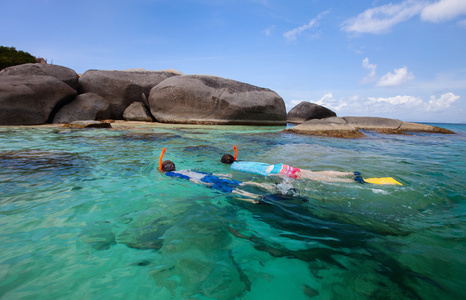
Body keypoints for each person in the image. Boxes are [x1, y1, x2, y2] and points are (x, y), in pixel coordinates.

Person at [159, 151, 276, 203]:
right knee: (239, 183)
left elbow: (190, 179)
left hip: (204, 181)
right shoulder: (188, 169)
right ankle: (263, 186)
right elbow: (206, 173)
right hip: (208, 176)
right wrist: (222, 175)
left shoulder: (171, 174)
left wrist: (201, 184)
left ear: (165, 170)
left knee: (230, 191)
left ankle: (254, 198)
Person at [220, 153, 359, 183]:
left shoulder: (235, 168)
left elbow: (251, 177)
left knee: (315, 178)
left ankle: (353, 181)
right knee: (314, 173)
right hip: (279, 166)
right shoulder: (245, 160)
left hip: (275, 172)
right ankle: (351, 173)